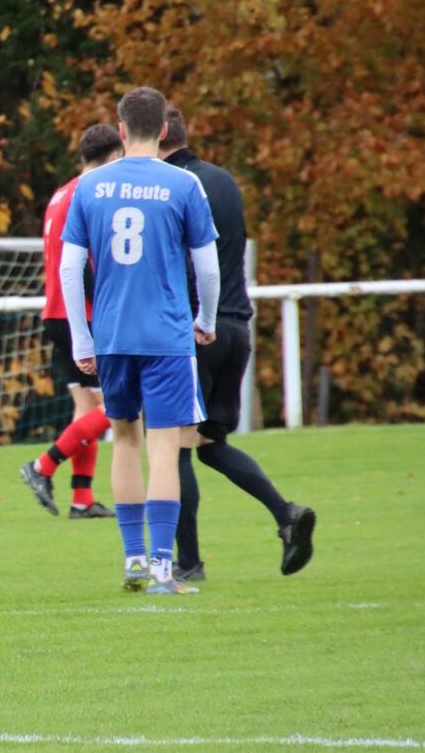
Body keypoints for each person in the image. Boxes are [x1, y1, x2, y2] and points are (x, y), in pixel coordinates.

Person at [59, 86, 222, 595]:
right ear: (165, 130)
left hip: (112, 336)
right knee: (164, 446)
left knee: (124, 440)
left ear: (121, 129)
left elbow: (69, 269)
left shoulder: (89, 185)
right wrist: (206, 318)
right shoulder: (184, 184)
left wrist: (82, 339)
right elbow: (208, 266)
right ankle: (161, 570)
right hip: (166, 336)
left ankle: (132, 560)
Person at [158, 107, 317, 581]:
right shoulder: (224, 180)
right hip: (237, 328)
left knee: (174, 447)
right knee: (210, 444)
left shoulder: (171, 186)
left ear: (157, 136)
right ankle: (286, 513)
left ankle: (188, 563)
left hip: (196, 329)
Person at [20, 124, 122, 520]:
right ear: (114, 156)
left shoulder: (62, 192)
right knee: (120, 405)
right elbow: (81, 265)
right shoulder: (90, 193)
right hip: (84, 314)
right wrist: (109, 304)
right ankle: (42, 466)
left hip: (57, 313)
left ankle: (82, 498)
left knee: (87, 407)